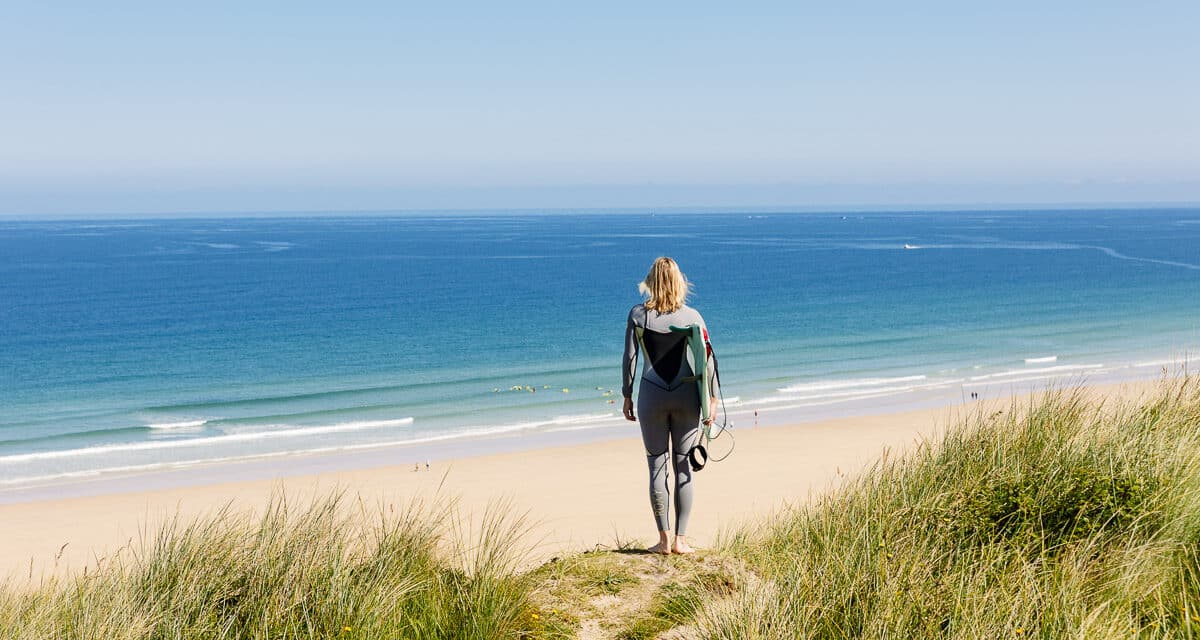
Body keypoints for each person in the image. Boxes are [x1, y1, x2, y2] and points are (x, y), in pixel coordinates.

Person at [622, 257, 718, 555]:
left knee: (656, 466)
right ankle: (681, 540)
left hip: (651, 395)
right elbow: (708, 361)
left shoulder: (638, 315)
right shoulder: (693, 316)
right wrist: (711, 400)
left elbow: (630, 359)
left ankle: (663, 541)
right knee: (683, 467)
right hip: (686, 396)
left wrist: (626, 394)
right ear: (679, 282)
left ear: (650, 281)